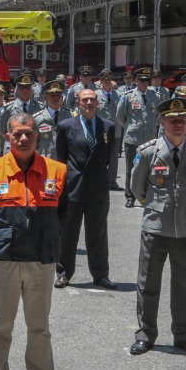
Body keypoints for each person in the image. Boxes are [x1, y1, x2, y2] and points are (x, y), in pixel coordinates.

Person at [0, 113, 66, 370]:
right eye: (17, 134)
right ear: (7, 137)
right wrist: (3, 238)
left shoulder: (57, 171)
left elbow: (63, 214)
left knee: (39, 327)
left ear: (38, 136)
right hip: (5, 261)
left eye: (28, 133)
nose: (23, 139)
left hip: (41, 261)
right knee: (1, 326)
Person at [128, 97, 186, 357]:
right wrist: (156, 207)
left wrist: (180, 209)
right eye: (172, 120)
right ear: (162, 123)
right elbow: (137, 188)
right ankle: (146, 335)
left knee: (183, 285)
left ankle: (183, 336)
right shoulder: (149, 151)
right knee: (148, 283)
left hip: (185, 230)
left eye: (182, 120)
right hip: (155, 227)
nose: (178, 125)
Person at [55, 85, 116, 289]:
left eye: (92, 100)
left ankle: (100, 274)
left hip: (97, 187)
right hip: (73, 186)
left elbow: (108, 158)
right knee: (68, 232)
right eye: (84, 100)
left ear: (97, 103)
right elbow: (61, 157)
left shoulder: (108, 127)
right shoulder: (65, 126)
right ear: (78, 103)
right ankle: (64, 273)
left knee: (98, 233)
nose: (88, 103)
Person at [117, 68, 164, 208]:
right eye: (142, 80)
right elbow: (120, 117)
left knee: (150, 168)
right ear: (136, 81)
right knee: (131, 168)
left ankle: (147, 196)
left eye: (147, 80)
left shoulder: (155, 96)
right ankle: (130, 197)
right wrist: (131, 127)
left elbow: (159, 115)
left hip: (150, 138)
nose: (144, 83)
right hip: (133, 138)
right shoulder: (128, 96)